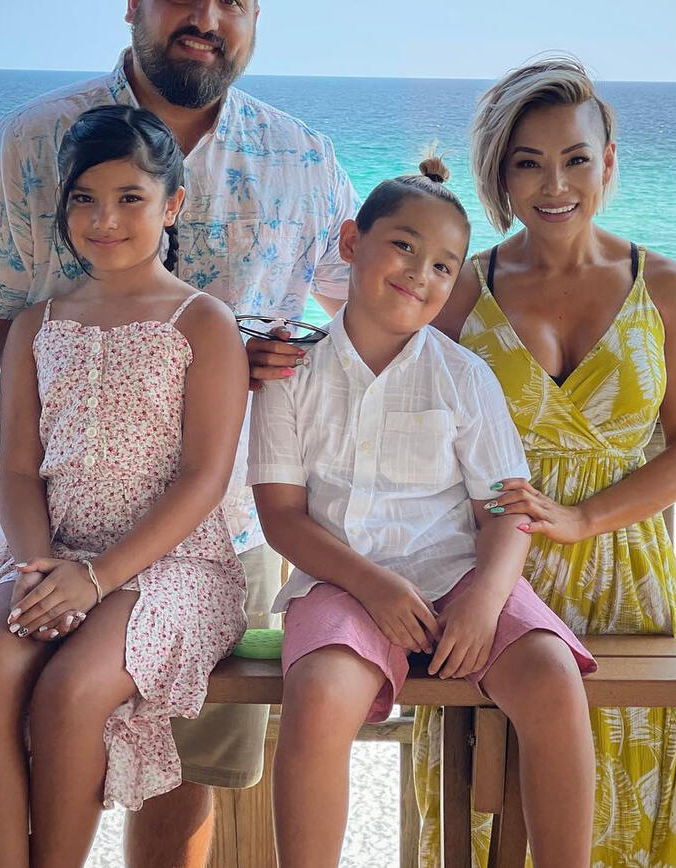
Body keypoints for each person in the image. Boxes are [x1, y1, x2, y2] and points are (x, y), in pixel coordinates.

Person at [0, 0, 357, 865]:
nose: (206, 17)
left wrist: (300, 364)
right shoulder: (29, 144)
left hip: (223, 536)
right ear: (135, 0)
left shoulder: (305, 162)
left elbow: (372, 319)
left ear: (255, 20)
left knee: (181, 775)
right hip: (46, 538)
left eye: (232, 1)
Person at [0, 106, 249, 867]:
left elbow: (204, 478)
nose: (104, 218)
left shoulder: (203, 323)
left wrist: (99, 577)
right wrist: (40, 568)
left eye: (129, 198)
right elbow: (16, 468)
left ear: (171, 206)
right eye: (84, 198)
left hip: (170, 568)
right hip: (49, 552)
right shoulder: (36, 323)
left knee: (72, 692)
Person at [419, 57, 676, 864]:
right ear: (501, 174)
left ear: (608, 163)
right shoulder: (466, 287)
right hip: (493, 581)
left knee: (634, 796)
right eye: (527, 162)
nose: (553, 183)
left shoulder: (664, 286)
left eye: (574, 158)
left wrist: (582, 517)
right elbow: (394, 404)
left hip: (626, 575)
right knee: (487, 808)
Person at [249, 162, 598, 868]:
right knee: (315, 698)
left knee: (553, 677)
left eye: (442, 265)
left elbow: (505, 510)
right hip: (341, 583)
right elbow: (282, 517)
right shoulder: (291, 375)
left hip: (460, 579)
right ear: (351, 242)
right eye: (403, 247)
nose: (420, 274)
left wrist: (485, 603)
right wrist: (373, 586)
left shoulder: (464, 374)